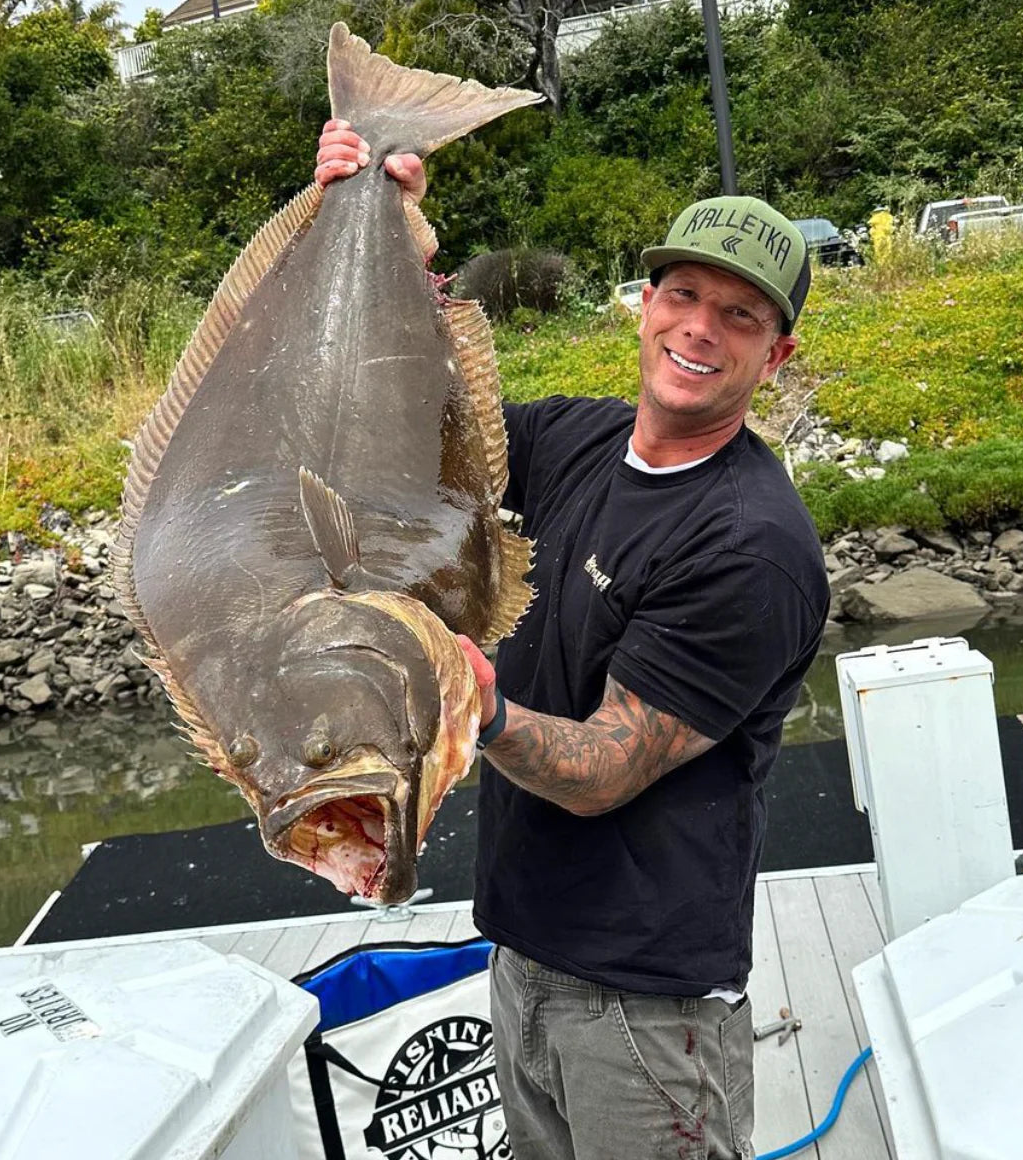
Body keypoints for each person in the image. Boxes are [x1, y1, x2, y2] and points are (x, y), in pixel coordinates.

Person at [316, 122, 830, 1160]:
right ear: (646, 304)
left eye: (738, 314)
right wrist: (379, 232)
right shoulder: (580, 437)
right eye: (683, 294)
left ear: (774, 355)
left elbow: (604, 767)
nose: (699, 327)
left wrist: (480, 704)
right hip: (522, 951)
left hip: (648, 1007)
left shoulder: (752, 546)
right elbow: (417, 423)